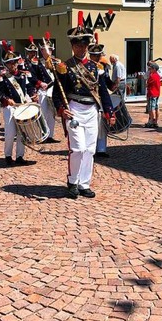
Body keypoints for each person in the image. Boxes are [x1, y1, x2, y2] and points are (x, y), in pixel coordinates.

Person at [52, 13, 115, 199]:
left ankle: (84, 183)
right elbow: (57, 92)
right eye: (77, 45)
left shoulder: (97, 68)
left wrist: (109, 112)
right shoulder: (65, 67)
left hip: (91, 111)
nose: (81, 48)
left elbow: (103, 92)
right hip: (74, 110)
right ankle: (72, 181)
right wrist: (62, 109)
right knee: (78, 149)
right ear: (72, 46)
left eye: (84, 45)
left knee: (90, 149)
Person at [0, 47, 37, 165]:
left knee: (22, 133)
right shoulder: (2, 77)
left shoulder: (23, 75)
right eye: (9, 63)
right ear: (6, 64)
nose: (12, 65)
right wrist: (7, 99)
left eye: (13, 62)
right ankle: (8, 156)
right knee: (10, 133)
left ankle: (20, 156)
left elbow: (29, 88)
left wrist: (33, 94)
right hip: (10, 108)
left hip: (22, 106)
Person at [32, 34, 59, 143]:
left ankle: (50, 135)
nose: (48, 52)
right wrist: (39, 83)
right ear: (42, 51)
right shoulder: (36, 63)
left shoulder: (56, 62)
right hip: (43, 91)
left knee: (52, 113)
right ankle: (41, 135)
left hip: (53, 90)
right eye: (46, 50)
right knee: (42, 113)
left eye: (50, 50)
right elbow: (32, 77)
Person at [88, 37, 112, 157]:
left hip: (100, 100)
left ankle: (101, 149)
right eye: (94, 55)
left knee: (102, 125)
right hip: (90, 100)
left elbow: (106, 83)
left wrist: (113, 85)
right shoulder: (84, 68)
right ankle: (90, 149)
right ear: (90, 55)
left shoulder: (102, 67)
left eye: (98, 55)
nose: (97, 57)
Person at [145, 62, 162, 128]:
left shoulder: (152, 76)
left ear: (154, 69)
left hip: (152, 93)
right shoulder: (158, 75)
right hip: (157, 93)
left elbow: (147, 84)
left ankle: (152, 121)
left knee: (151, 108)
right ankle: (156, 121)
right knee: (156, 107)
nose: (149, 69)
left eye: (150, 68)